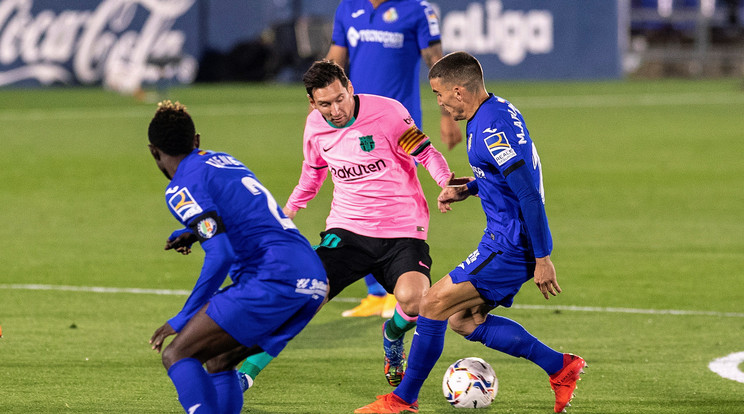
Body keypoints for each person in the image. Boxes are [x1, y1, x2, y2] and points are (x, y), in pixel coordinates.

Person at [355, 51, 586, 414]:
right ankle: (561, 367)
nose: (440, 103)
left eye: (439, 94)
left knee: (431, 303)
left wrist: (543, 257)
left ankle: (403, 400)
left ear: (459, 91)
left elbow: (527, 191)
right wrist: (470, 189)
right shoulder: (493, 110)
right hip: (503, 239)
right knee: (464, 320)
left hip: (510, 244)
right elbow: (504, 175)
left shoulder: (492, 127)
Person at [239, 60, 454, 392]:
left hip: (402, 230)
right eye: (325, 103)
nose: (335, 109)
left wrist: (446, 181)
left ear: (350, 87)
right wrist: (289, 211)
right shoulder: (315, 127)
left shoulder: (389, 113)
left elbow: (425, 153)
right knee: (304, 297)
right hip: (347, 230)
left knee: (415, 301)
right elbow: (312, 175)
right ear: (313, 103)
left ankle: (392, 335)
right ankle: (246, 373)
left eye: (340, 98)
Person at [146, 100, 327, 414]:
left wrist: (184, 315)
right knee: (219, 360)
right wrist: (195, 232)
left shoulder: (179, 188)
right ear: (197, 141)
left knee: (177, 355)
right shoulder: (223, 160)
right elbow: (238, 212)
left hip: (271, 278)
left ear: (153, 151)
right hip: (313, 278)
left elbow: (221, 255)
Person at [326, 0, 463, 318]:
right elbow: (335, 59)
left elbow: (436, 62)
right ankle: (376, 294)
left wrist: (446, 115)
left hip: (398, 124)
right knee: (360, 199)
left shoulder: (417, 9)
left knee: (391, 198)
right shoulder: (349, 7)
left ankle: (395, 285)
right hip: (352, 122)